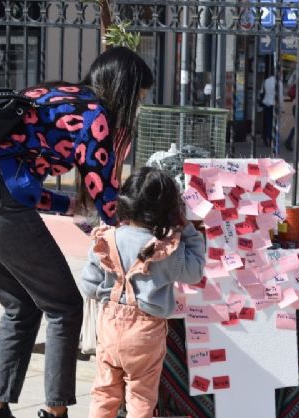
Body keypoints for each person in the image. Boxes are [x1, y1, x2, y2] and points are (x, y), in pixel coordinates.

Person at [0, 46, 154, 418]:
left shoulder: (51, 92)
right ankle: (56, 412)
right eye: (137, 97)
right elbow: (106, 199)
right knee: (64, 306)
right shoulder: (95, 115)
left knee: (20, 304)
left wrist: (65, 206)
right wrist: (142, 230)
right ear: (123, 87)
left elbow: (19, 174)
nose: (136, 107)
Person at [80, 167, 205, 418]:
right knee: (141, 395)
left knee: (104, 391)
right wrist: (188, 230)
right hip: (145, 333)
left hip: (109, 327)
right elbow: (194, 272)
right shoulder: (167, 249)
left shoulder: (107, 238)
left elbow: (89, 285)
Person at [260, 68, 277, 147]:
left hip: (266, 103)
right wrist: (282, 108)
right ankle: (270, 139)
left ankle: (265, 137)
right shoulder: (278, 83)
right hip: (273, 104)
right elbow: (280, 97)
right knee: (272, 123)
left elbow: (261, 92)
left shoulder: (266, 81)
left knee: (267, 121)